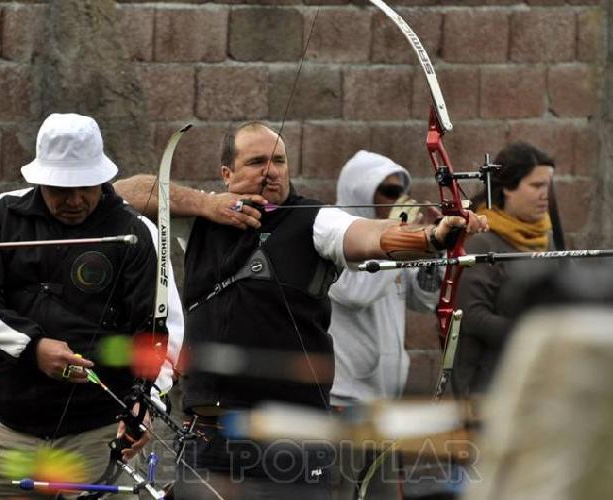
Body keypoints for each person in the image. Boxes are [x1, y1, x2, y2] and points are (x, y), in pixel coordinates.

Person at [114, 121, 488, 499]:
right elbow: (122, 195)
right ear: (227, 174)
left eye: (279, 160)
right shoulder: (201, 221)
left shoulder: (316, 221)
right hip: (211, 431)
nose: (270, 170)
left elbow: (369, 236)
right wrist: (207, 204)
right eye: (257, 161)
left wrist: (432, 237)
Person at [0, 113, 185, 499]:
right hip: (13, 431)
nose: (75, 200)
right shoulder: (0, 215)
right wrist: (33, 348)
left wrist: (148, 402)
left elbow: (161, 327)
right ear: (40, 179)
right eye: (61, 189)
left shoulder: (135, 230)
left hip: (98, 433)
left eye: (86, 187)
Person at [326, 150, 443, 498]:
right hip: (344, 401)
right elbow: (356, 291)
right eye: (388, 192)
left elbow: (424, 300)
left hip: (384, 403)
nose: (396, 200)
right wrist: (398, 239)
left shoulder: (392, 239)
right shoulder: (334, 232)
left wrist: (432, 249)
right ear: (362, 190)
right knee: (342, 493)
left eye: (399, 193)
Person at [453, 140, 559, 398]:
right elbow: (474, 316)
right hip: (488, 387)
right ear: (508, 189)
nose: (545, 194)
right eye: (536, 185)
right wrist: (534, 336)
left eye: (547, 185)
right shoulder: (482, 241)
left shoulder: (547, 239)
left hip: (537, 383)